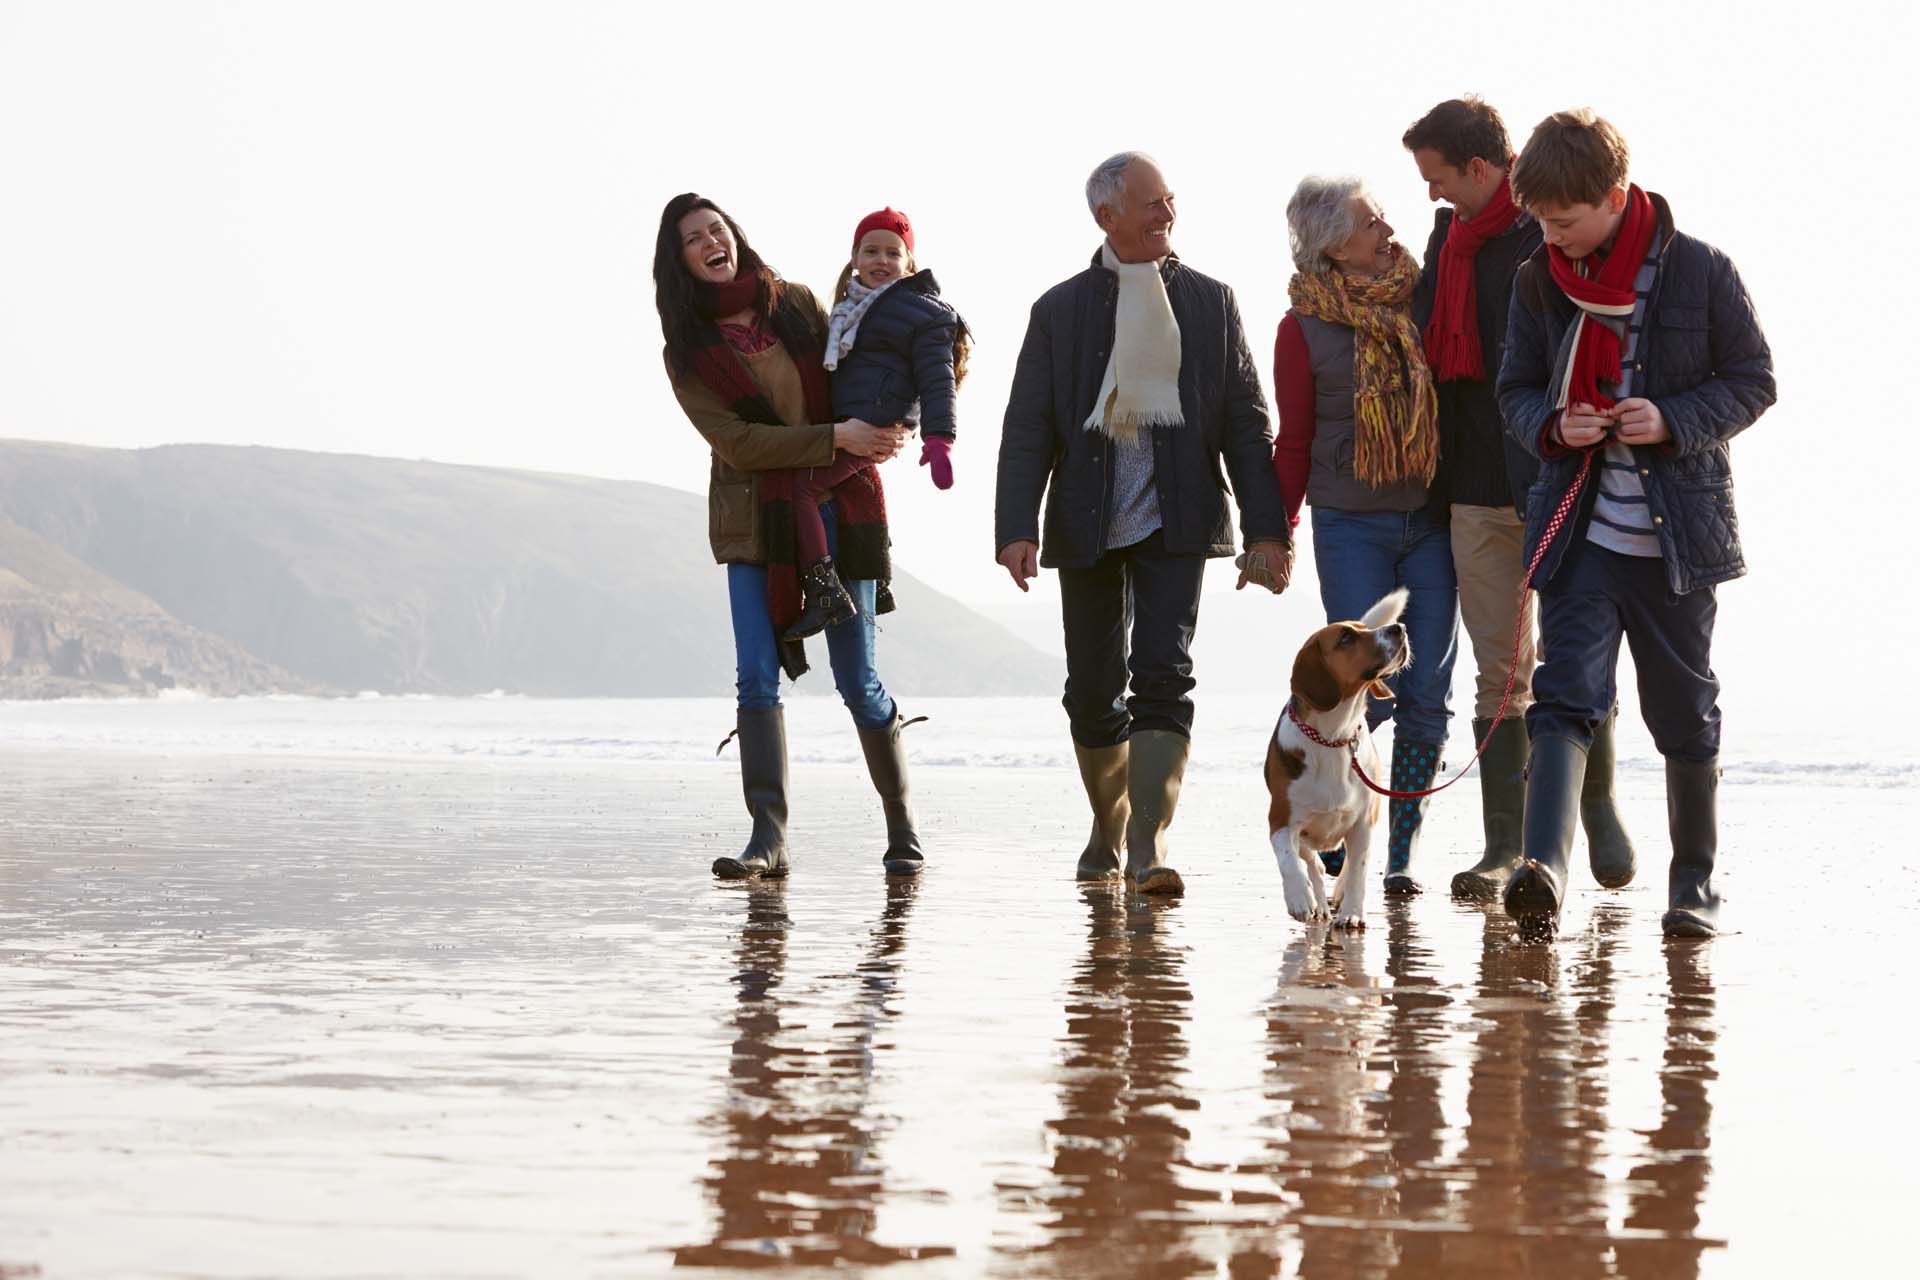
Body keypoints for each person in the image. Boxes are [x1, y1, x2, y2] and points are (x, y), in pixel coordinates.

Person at [1496, 110, 1775, 937]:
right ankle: (1543, 868)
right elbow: (1514, 390)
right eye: (1541, 222)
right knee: (1563, 699)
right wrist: (1555, 421)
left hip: (1678, 545)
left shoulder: (1702, 271)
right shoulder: (1536, 280)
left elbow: (1755, 380)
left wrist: (1674, 418)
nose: (1553, 237)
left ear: (1615, 196)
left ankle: (1694, 888)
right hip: (1578, 534)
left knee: (1684, 711)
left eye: (1567, 220)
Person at [995, 151, 1291, 896]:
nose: (1167, 215)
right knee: (1092, 689)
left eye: (1170, 202)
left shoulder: (1210, 301)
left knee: (1164, 674)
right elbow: (1027, 426)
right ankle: (1110, 823)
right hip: (1086, 521)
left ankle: (1150, 845)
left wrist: (1268, 531)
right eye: (1152, 204)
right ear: (1108, 216)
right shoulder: (1058, 310)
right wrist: (1015, 526)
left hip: (1178, 515)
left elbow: (1248, 427)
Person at [1401, 96, 1636, 902]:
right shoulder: (1446, 241)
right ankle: (1505, 845)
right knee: (1501, 669)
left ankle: (1596, 810)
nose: (1429, 193)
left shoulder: (1550, 231)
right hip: (1470, 486)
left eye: (1437, 176)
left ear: (1478, 167)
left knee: (1573, 659)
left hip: (1555, 477)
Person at [655, 192, 927, 881]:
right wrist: (836, 435)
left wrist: (904, 410)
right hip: (755, 526)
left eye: (717, 229)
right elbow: (741, 443)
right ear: (680, 259)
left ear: (735, 236)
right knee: (755, 677)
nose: (711, 241)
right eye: (694, 238)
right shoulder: (687, 351)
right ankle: (767, 837)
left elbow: (873, 360)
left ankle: (902, 828)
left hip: (844, 506)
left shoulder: (798, 304)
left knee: (858, 679)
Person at [1272, 176, 1458, 895]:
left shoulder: (1424, 299)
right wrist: (1278, 530)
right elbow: (1294, 440)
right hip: (1349, 524)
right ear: (1333, 247)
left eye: (1383, 219)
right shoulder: (1302, 327)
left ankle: (1397, 851)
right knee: (1357, 688)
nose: (1388, 231)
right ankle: (1334, 830)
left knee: (1427, 693)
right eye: (1370, 223)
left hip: (1431, 520)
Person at [782, 207, 970, 640]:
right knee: (841, 490)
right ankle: (877, 581)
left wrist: (939, 439)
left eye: (892, 252)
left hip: (875, 424)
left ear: (909, 263)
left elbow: (937, 377)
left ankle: (825, 593)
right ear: (854, 257)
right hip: (854, 422)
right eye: (871, 251)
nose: (880, 261)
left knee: (803, 488)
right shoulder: (850, 309)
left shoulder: (921, 311)